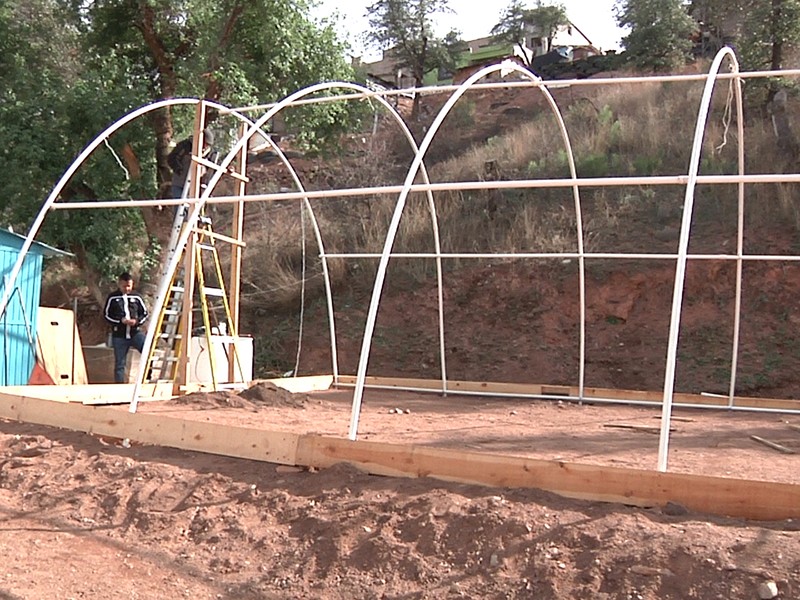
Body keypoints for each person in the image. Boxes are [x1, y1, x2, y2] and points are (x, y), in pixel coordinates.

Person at [104, 272, 149, 383]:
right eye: (124, 286)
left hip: (135, 333)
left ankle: (147, 378)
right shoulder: (113, 297)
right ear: (119, 284)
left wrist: (137, 322)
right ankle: (119, 385)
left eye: (129, 286)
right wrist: (120, 321)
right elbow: (106, 315)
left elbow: (145, 313)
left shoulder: (137, 297)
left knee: (147, 351)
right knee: (120, 362)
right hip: (119, 335)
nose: (127, 288)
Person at [167, 129, 215, 198]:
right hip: (179, 183)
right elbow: (171, 158)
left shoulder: (210, 154)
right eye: (205, 144)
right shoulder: (184, 145)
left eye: (207, 145)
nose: (205, 147)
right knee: (179, 206)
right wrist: (179, 169)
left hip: (197, 187)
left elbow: (214, 168)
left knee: (194, 207)